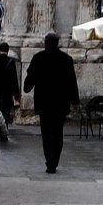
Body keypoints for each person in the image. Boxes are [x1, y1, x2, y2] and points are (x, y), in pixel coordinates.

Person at [23, 32, 79, 173]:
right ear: (58, 43)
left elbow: (30, 78)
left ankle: (50, 162)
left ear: (45, 42)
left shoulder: (38, 58)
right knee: (58, 133)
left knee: (46, 133)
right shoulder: (66, 59)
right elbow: (72, 82)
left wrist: (27, 87)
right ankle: (54, 160)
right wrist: (75, 101)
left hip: (44, 103)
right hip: (60, 103)